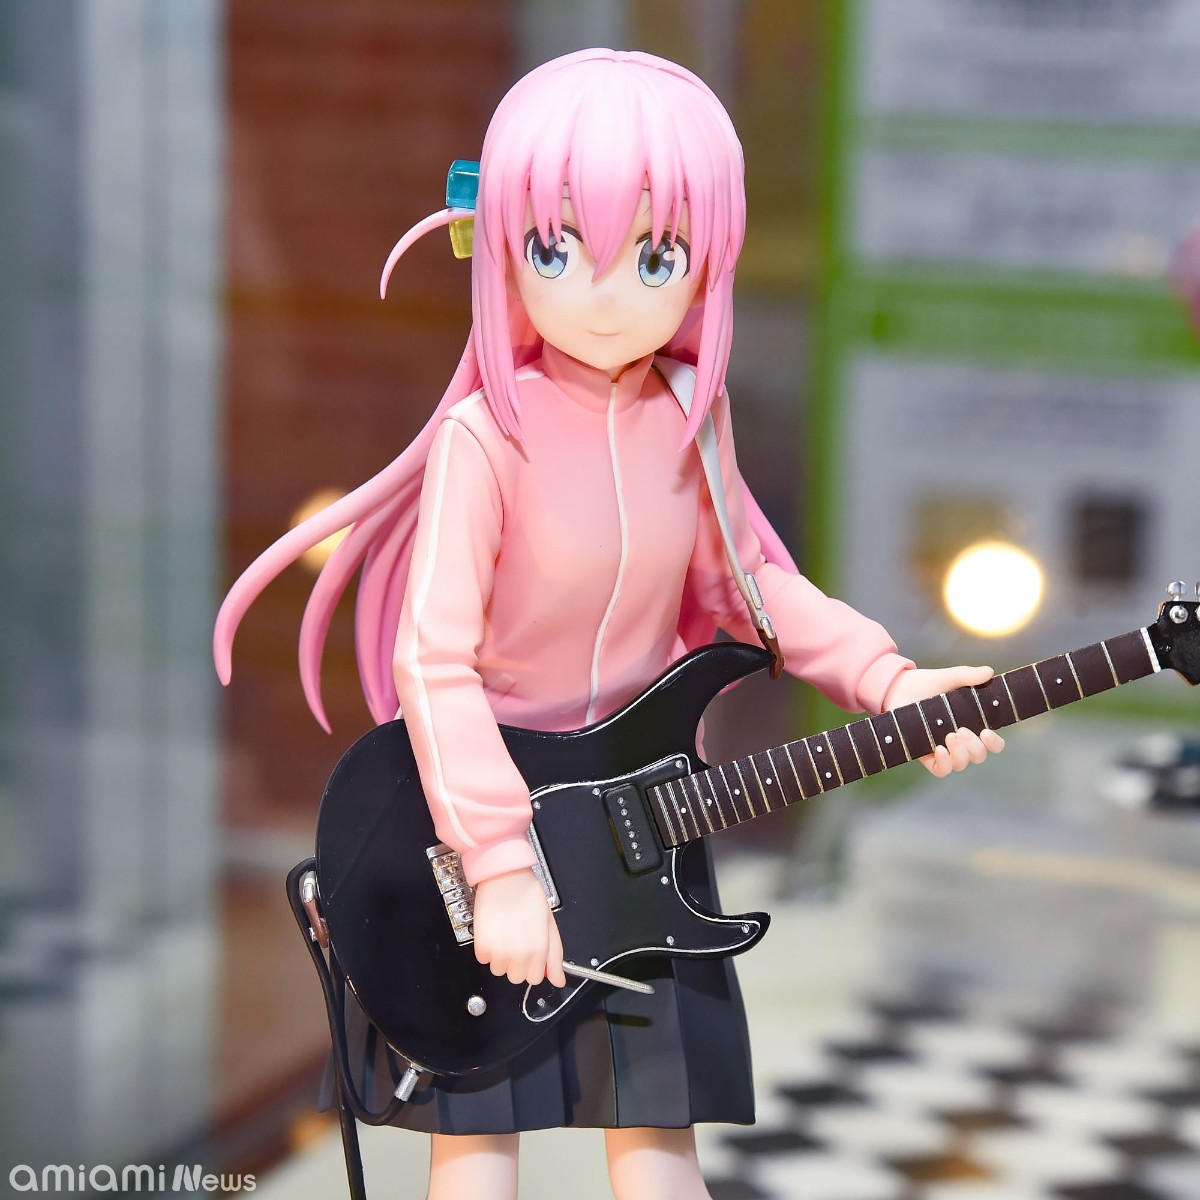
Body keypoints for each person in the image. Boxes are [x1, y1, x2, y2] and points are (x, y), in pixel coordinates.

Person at [214, 48, 1003, 1200]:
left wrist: (888, 682)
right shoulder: (487, 438)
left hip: (645, 823)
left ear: (707, 263)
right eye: (555, 248)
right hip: (487, 829)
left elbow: (749, 587)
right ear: (501, 246)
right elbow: (435, 660)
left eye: (655, 256)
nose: (603, 292)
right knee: (478, 1154)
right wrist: (496, 864)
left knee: (658, 1146)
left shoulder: (691, 413)